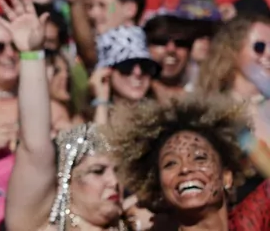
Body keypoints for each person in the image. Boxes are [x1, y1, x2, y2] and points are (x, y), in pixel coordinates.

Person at [1, 0, 129, 231]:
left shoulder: (138, 220)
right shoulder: (40, 225)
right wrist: (31, 55)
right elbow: (35, 146)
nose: (114, 182)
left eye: (117, 171)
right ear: (64, 180)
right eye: (98, 171)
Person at [108, 94, 270, 230]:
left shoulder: (254, 220)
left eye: (199, 157)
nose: (185, 168)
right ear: (159, 189)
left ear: (226, 177)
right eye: (170, 163)